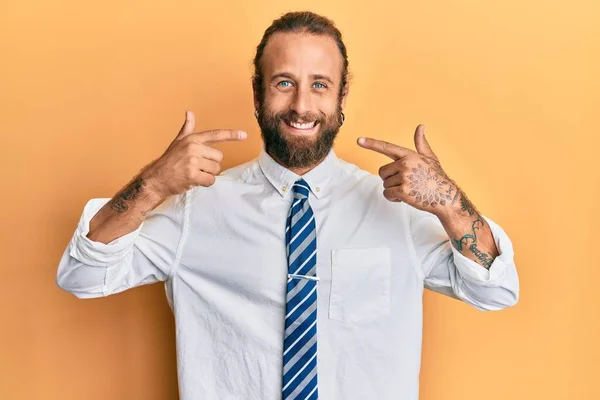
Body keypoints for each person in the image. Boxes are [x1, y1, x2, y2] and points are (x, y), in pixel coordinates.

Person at [56, 10, 519, 400]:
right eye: (283, 82)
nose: (301, 106)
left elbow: (496, 291)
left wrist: (446, 201)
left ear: (342, 96)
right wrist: (154, 184)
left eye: (320, 84)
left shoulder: (397, 207)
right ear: (257, 94)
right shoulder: (196, 209)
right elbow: (81, 275)